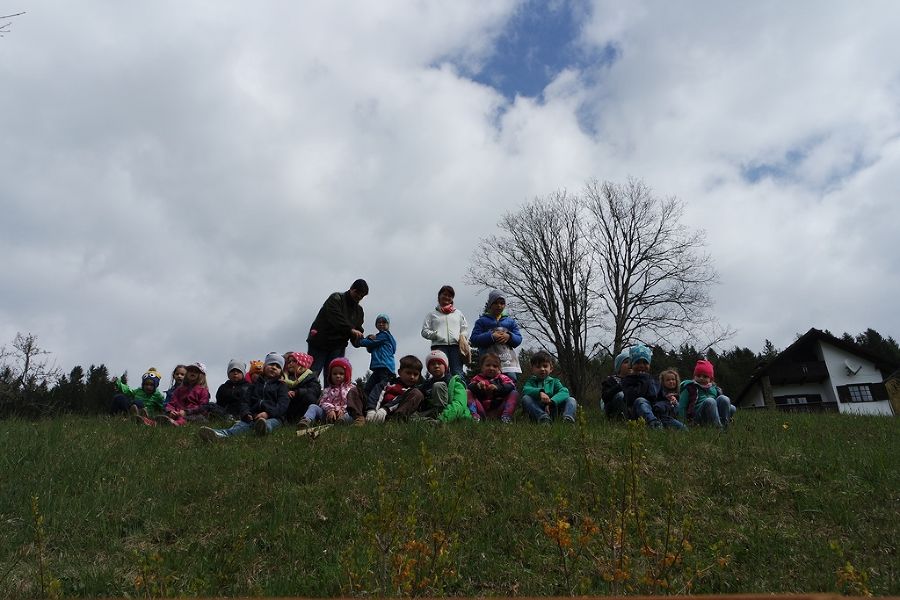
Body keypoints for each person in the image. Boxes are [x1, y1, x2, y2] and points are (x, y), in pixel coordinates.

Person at [199, 353, 290, 440]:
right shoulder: (254, 385)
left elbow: (282, 405)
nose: (274, 367)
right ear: (264, 366)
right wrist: (246, 413)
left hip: (274, 417)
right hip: (254, 416)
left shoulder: (281, 386)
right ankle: (220, 434)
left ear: (281, 372)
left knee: (269, 423)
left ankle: (263, 428)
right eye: (271, 364)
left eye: (278, 366)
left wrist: (268, 414)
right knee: (240, 426)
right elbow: (245, 402)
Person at [306, 279, 368, 381]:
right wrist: (350, 330)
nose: (359, 297)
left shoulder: (359, 311)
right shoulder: (336, 298)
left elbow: (358, 330)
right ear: (352, 289)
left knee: (334, 378)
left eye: (362, 296)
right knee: (312, 374)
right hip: (320, 342)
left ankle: (332, 397)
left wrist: (365, 340)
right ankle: (307, 395)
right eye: (357, 293)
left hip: (338, 347)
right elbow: (335, 318)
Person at [470, 290, 523, 381]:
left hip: (507, 361)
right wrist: (491, 336)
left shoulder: (510, 322)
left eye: (502, 303)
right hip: (489, 362)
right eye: (495, 303)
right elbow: (474, 339)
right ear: (490, 304)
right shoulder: (482, 321)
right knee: (489, 382)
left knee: (511, 379)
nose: (499, 306)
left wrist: (509, 336)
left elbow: (518, 339)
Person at [298, 357, 364, 428]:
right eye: (334, 374)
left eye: (341, 374)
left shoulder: (351, 389)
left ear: (347, 375)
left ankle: (341, 422)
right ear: (330, 375)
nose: (338, 376)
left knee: (349, 414)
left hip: (344, 412)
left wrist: (342, 409)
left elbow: (351, 403)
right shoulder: (327, 390)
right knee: (313, 407)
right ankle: (306, 420)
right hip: (327, 414)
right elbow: (322, 403)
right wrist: (330, 409)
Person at [420, 285, 469, 378]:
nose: (447, 297)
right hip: (439, 347)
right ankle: (443, 391)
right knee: (441, 373)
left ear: (452, 299)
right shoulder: (432, 314)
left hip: (456, 346)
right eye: (444, 294)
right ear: (439, 296)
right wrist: (436, 335)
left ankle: (460, 392)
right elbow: (424, 331)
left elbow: (464, 329)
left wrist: (462, 336)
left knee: (457, 372)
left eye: (450, 296)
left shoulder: (458, 313)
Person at [521, 351, 577, 424]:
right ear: (532, 369)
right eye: (538, 367)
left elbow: (565, 392)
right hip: (538, 410)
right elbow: (525, 390)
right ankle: (543, 418)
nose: (542, 369)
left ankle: (567, 419)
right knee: (525, 398)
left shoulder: (554, 382)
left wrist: (552, 402)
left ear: (551, 368)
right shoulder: (531, 381)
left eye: (545, 366)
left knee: (571, 399)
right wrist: (540, 392)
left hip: (554, 410)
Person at [677, 359, 736, 429]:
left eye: (705, 376)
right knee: (710, 401)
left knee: (725, 400)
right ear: (694, 376)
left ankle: (725, 426)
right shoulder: (690, 387)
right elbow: (682, 406)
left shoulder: (715, 389)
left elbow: (722, 405)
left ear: (710, 379)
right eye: (698, 376)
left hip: (713, 414)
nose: (701, 378)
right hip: (696, 417)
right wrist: (683, 423)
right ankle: (718, 429)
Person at [620, 344, 667, 429]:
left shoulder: (654, 381)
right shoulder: (627, 381)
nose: (641, 366)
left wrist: (660, 406)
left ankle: (659, 422)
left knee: (682, 428)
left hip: (656, 412)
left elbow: (663, 399)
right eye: (637, 362)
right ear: (632, 365)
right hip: (637, 416)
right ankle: (654, 424)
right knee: (640, 401)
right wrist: (643, 379)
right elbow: (632, 398)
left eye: (645, 362)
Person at [366, 355, 425, 423]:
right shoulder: (388, 383)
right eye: (408, 373)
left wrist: (385, 409)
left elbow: (399, 400)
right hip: (376, 411)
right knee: (355, 391)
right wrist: (371, 409)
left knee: (417, 394)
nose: (412, 377)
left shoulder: (413, 392)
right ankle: (359, 418)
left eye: (415, 374)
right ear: (399, 372)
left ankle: (394, 421)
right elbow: (375, 394)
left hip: (393, 413)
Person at [467, 352, 518, 423]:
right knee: (468, 392)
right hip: (481, 409)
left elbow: (511, 386)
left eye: (495, 366)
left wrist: (498, 388)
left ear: (499, 368)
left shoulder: (502, 377)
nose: (491, 368)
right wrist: (477, 386)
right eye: (488, 365)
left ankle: (506, 416)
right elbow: (470, 386)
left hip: (498, 409)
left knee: (514, 393)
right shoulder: (477, 378)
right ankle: (475, 416)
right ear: (481, 367)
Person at [358, 313, 397, 398]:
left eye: (384, 322)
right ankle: (365, 405)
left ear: (388, 325)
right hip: (380, 367)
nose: (381, 324)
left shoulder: (384, 335)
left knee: (382, 388)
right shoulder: (379, 337)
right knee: (369, 388)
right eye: (379, 322)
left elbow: (368, 343)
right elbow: (370, 349)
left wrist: (359, 340)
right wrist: (369, 338)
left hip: (384, 366)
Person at [282, 352, 322, 423]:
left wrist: (297, 392)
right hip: (291, 408)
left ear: (301, 364)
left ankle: (307, 418)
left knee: (309, 397)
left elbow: (314, 391)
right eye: (289, 362)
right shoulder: (285, 378)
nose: (290, 363)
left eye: (294, 361)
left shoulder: (310, 377)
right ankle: (286, 420)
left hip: (303, 405)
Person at [600, 348, 630, 420]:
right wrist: (620, 386)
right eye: (626, 362)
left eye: (632, 362)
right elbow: (605, 397)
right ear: (619, 367)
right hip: (613, 408)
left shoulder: (634, 380)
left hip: (630, 407)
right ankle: (622, 419)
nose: (630, 364)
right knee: (621, 395)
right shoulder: (611, 380)